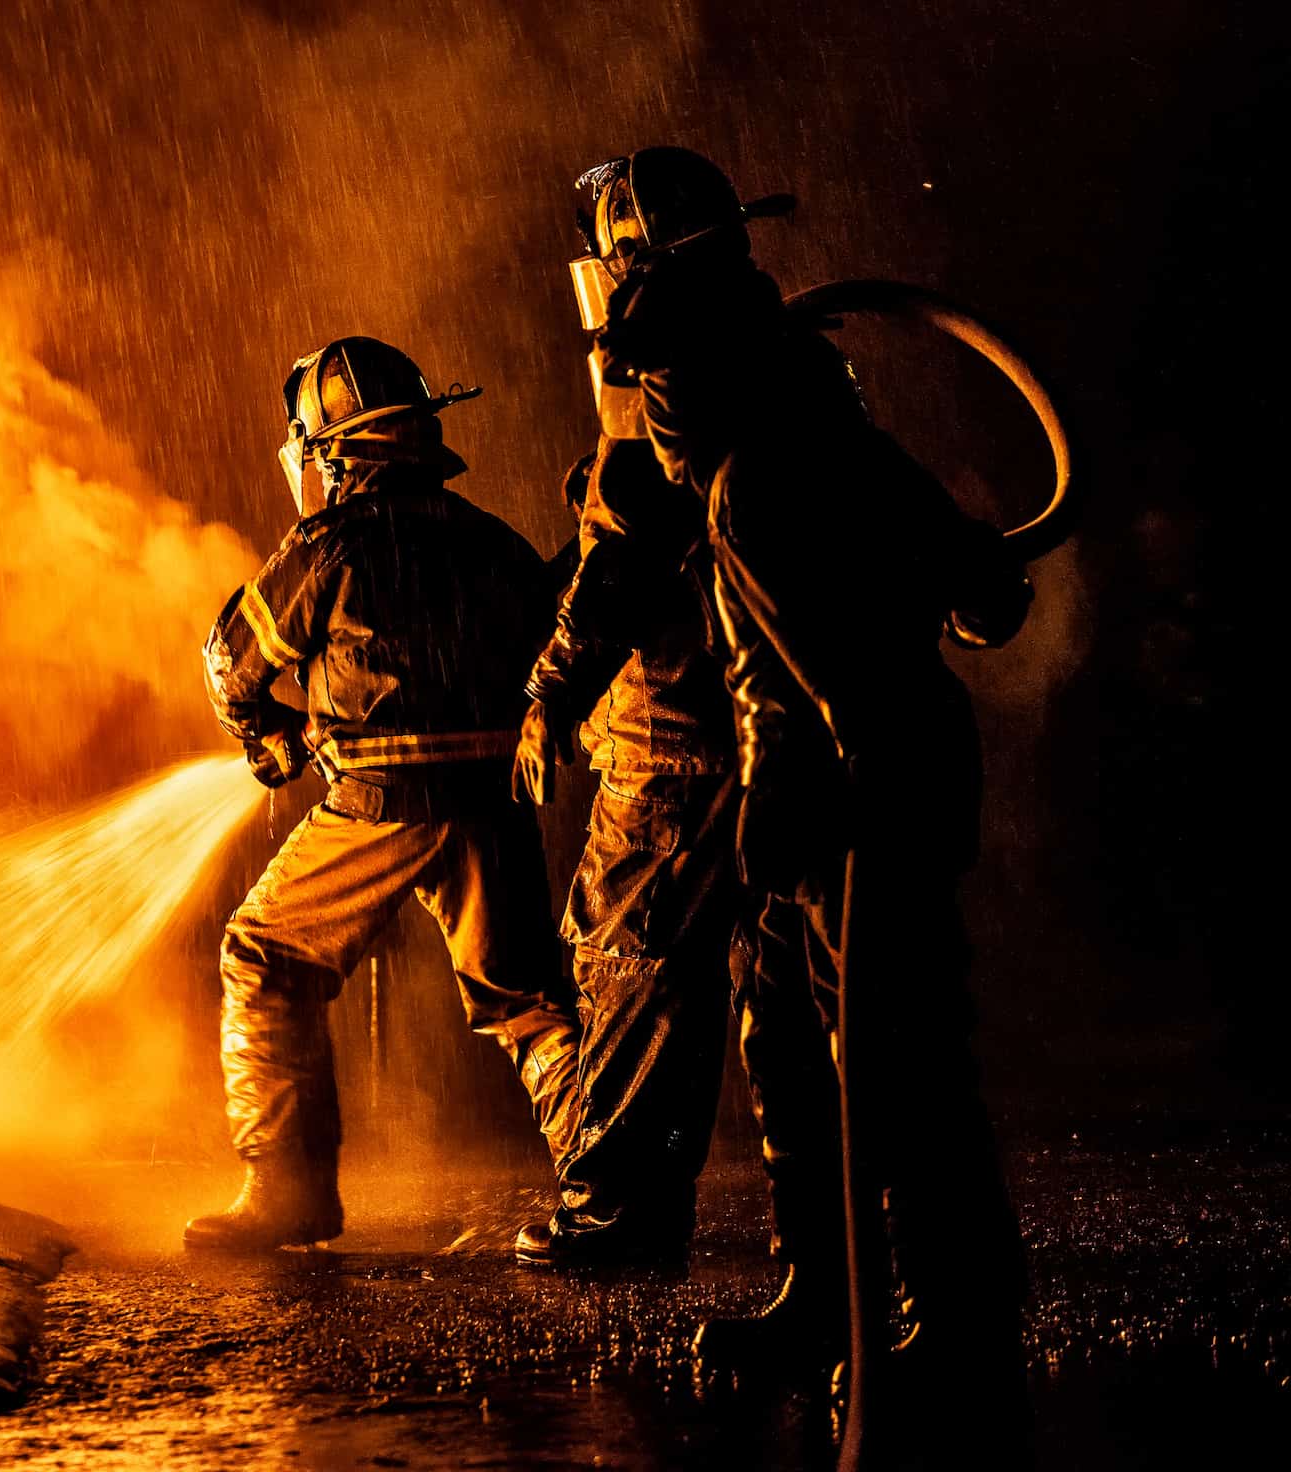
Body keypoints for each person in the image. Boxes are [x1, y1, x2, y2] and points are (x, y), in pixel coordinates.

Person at [577, 147, 1034, 1444]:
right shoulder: (781, 407)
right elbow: (967, 585)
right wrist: (959, 573)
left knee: (898, 1058)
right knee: (783, 1028)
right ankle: (824, 1295)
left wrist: (784, 790)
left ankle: (955, 1326)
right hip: (851, 784)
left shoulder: (756, 457)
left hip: (863, 793)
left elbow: (806, 671)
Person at [185, 336, 581, 1253]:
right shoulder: (493, 541)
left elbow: (233, 667)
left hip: (380, 804)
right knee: (525, 1000)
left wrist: (268, 734)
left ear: (329, 455)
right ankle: (607, 1189)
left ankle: (287, 1194)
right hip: (492, 802)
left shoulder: (330, 545)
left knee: (264, 957)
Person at [508, 411, 741, 1267]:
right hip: (770, 754)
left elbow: (613, 566)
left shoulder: (654, 419)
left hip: (666, 759)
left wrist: (550, 694)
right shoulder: (797, 412)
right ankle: (838, 1238)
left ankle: (613, 1214)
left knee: (627, 967)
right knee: (748, 992)